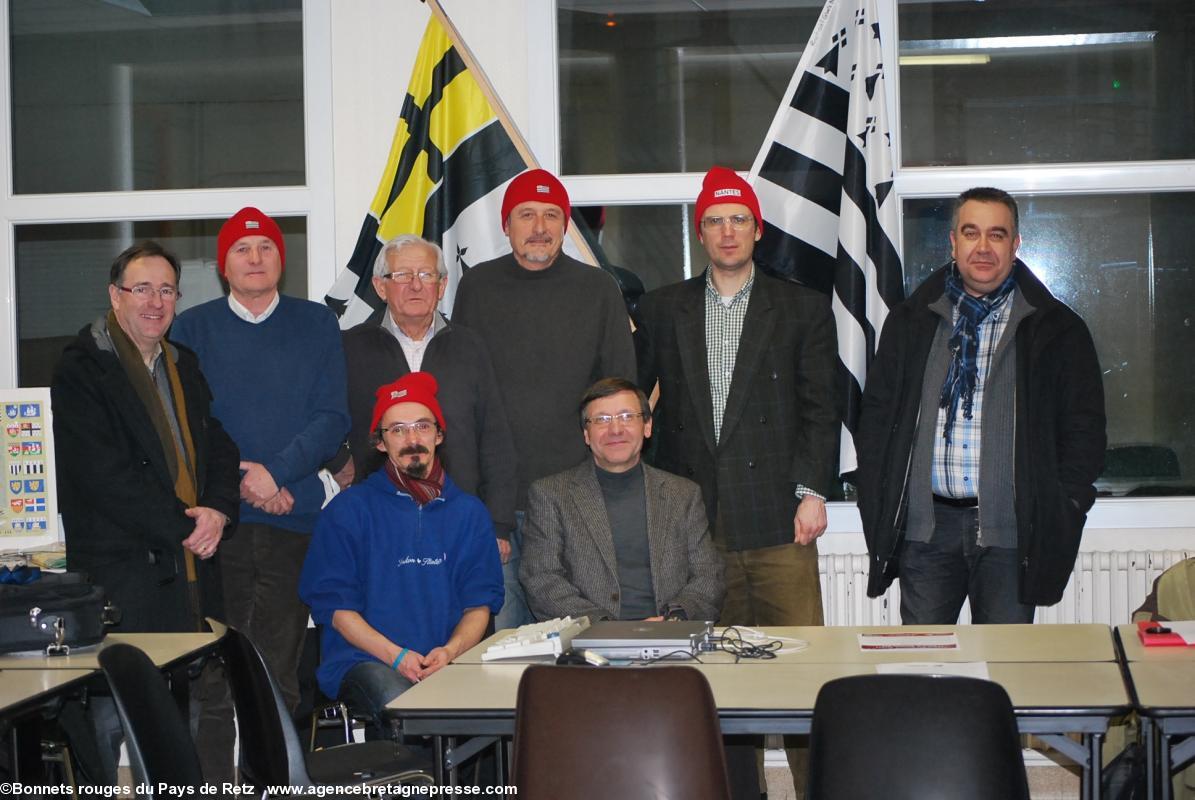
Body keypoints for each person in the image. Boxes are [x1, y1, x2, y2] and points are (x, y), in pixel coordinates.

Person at [635, 166, 839, 799]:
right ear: (701, 233)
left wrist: (813, 492)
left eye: (739, 220)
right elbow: (642, 407)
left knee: (801, 674)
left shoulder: (801, 307)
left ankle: (816, 792)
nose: (728, 233)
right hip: (696, 528)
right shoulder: (662, 308)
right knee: (710, 679)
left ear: (759, 229)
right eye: (716, 222)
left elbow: (820, 407)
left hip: (781, 522)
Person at [856, 186, 1106, 625]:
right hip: (926, 533)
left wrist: (1066, 503)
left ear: (1015, 244)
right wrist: (877, 494)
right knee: (924, 672)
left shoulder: (1057, 329)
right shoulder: (912, 321)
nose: (984, 247)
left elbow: (1084, 432)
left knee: (1005, 671)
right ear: (953, 242)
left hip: (1012, 537)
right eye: (971, 233)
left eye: (997, 234)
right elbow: (876, 418)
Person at [51, 240, 240, 784]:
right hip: (124, 585)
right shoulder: (82, 369)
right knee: (117, 732)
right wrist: (190, 525)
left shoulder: (183, 364)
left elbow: (218, 447)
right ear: (115, 296)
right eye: (141, 289)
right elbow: (105, 477)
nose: (155, 301)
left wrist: (221, 512)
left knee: (177, 729)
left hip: (185, 580)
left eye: (166, 290)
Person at [170, 206, 350, 716]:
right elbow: (188, 428)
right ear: (224, 266)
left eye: (266, 247)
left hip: (291, 525)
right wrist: (244, 480)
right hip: (216, 529)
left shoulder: (316, 323)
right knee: (214, 678)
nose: (255, 258)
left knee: (279, 675)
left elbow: (332, 417)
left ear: (281, 260)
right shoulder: (191, 329)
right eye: (242, 249)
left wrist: (278, 475)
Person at [452, 168, 636, 630]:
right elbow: (464, 396)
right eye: (527, 214)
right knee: (505, 646)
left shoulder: (598, 289)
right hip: (500, 504)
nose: (540, 227)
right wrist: (478, 501)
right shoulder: (476, 288)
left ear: (565, 223)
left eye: (552, 214)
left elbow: (619, 393)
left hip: (578, 500)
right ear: (505, 224)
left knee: (583, 638)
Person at [298, 372, 503, 738]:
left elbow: (479, 606)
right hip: (367, 661)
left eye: (422, 426)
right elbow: (337, 611)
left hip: (449, 660)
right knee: (410, 712)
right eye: (397, 430)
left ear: (439, 434)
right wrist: (397, 657)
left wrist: (451, 651)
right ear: (381, 443)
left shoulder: (469, 513)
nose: (412, 439)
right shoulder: (348, 510)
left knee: (501, 712)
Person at [339, 235, 516, 567]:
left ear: (442, 284)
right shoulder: (350, 348)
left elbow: (495, 439)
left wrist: (498, 525)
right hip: (380, 522)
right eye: (403, 275)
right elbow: (327, 417)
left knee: (467, 611)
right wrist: (340, 464)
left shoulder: (470, 347)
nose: (416, 285)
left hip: (461, 518)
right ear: (380, 286)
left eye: (426, 275)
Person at [521, 377, 724, 623]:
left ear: (647, 426)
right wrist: (607, 627)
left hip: (671, 639)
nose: (615, 429)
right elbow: (542, 580)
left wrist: (674, 620)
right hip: (589, 643)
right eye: (602, 420)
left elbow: (708, 575)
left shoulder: (683, 494)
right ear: (586, 434)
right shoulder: (551, 495)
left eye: (627, 416)